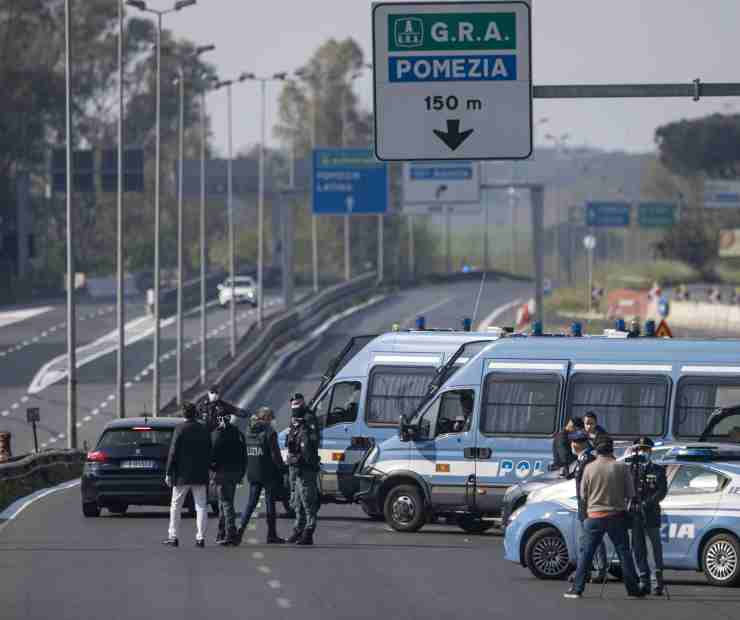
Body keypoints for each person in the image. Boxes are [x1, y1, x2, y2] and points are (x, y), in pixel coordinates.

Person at [564, 435, 643, 599]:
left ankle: (577, 589)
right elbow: (630, 494)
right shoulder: (621, 467)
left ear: (597, 450)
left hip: (593, 517)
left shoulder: (589, 468)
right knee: (624, 553)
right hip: (616, 516)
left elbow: (583, 496)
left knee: (586, 554)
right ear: (611, 449)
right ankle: (633, 590)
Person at [163, 402, 212, 548]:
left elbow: (173, 451)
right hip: (200, 473)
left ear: (183, 414)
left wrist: (168, 472)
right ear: (195, 413)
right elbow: (210, 449)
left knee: (176, 506)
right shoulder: (203, 428)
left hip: (181, 475)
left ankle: (173, 536)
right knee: (201, 506)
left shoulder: (180, 428)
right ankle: (200, 538)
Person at [237, 407, 286, 544]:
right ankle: (271, 535)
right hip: (268, 472)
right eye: (271, 418)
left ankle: (240, 531)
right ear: (267, 419)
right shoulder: (269, 432)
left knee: (250, 504)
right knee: (270, 503)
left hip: (253, 471)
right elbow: (275, 455)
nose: (273, 421)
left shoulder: (248, 430)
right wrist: (283, 468)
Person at [629, 436, 668, 596]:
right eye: (640, 449)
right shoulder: (630, 469)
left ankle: (657, 581)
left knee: (654, 548)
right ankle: (643, 579)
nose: (643, 452)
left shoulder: (658, 470)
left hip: (650, 513)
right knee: (637, 547)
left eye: (645, 449)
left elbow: (661, 491)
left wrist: (647, 503)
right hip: (635, 515)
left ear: (650, 451)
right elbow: (625, 489)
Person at [568, 431, 607, 583]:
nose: (572, 445)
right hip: (583, 503)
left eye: (574, 442)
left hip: (590, 504)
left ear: (581, 443)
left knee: (593, 538)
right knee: (585, 539)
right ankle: (586, 570)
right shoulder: (582, 458)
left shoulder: (589, 459)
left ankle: (598, 570)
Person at [286, 395, 321, 545]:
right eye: (293, 404)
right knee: (296, 500)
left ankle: (309, 530)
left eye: (297, 404)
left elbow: (309, 445)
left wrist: (304, 427)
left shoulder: (308, 419)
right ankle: (298, 529)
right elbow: (291, 441)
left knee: (307, 499)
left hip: (306, 466)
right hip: (294, 465)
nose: (295, 407)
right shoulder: (295, 419)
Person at [211, 412, 246, 546]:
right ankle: (222, 532)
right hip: (235, 472)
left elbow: (212, 454)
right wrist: (241, 473)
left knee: (225, 503)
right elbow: (244, 455)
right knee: (224, 503)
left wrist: (212, 470)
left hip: (222, 473)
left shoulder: (217, 433)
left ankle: (231, 532)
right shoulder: (237, 433)